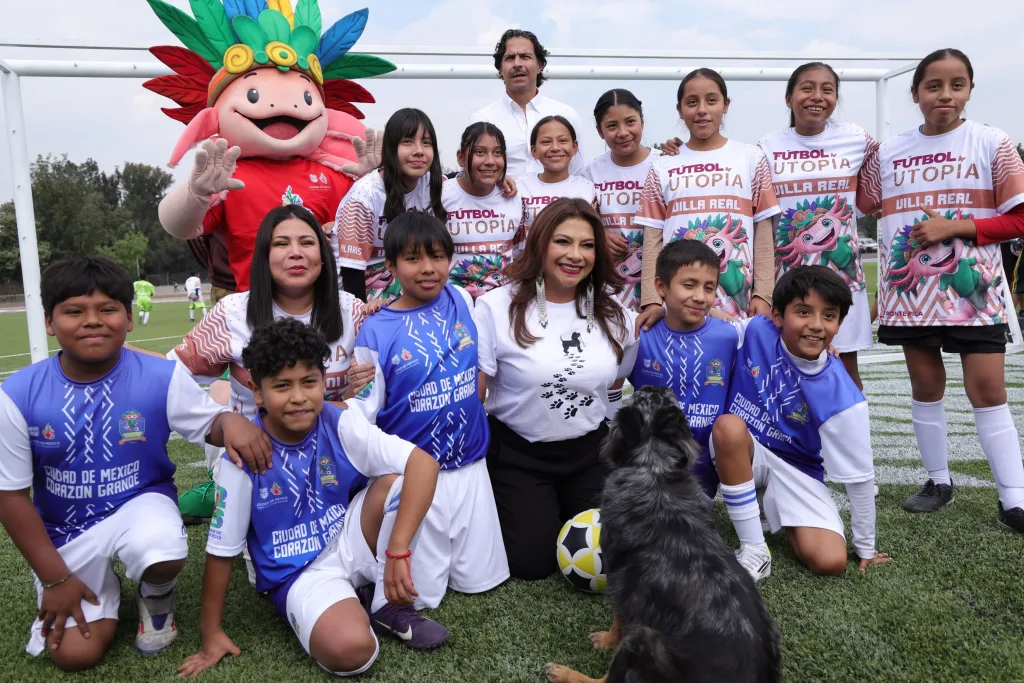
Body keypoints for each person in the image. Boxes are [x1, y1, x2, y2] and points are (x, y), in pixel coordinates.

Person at [0, 256, 269, 671]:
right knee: (76, 655)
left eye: (107, 309)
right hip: (66, 528)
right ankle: (92, 583)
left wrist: (230, 420)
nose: (92, 321)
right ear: (50, 322)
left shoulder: (161, 376)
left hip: (139, 505)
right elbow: (11, 495)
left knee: (160, 545)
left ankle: (156, 595)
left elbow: (210, 421)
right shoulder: (17, 395)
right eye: (74, 311)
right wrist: (56, 580)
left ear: (128, 318)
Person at [177, 319, 448, 678]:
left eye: (309, 382)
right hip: (299, 571)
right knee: (353, 652)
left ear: (324, 382)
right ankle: (354, 600)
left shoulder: (339, 420)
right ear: (257, 392)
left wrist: (398, 549)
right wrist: (211, 634)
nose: (298, 397)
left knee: (398, 481)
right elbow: (221, 551)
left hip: (350, 536)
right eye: (282, 386)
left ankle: (382, 602)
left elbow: (424, 464)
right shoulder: (243, 457)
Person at [861, 49, 1024, 531]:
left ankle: (1013, 499)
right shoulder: (888, 151)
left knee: (988, 390)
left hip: (974, 291)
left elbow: (1018, 217)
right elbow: (858, 196)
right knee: (926, 387)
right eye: (933, 86)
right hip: (910, 294)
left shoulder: (994, 143)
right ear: (915, 94)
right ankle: (938, 482)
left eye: (956, 85)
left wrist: (955, 226)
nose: (945, 95)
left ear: (970, 90)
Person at [350, 211, 509, 635]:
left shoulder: (461, 299)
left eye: (439, 257)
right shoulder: (375, 331)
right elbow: (363, 417)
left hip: (473, 466)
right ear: (391, 267)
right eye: (413, 259)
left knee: (482, 583)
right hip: (418, 478)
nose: (428, 269)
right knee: (416, 594)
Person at [169, 205, 376, 524]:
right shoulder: (232, 313)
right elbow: (168, 378)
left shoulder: (353, 311)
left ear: (323, 255)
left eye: (307, 243)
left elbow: (380, 391)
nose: (296, 253)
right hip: (260, 464)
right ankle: (220, 487)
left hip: (335, 458)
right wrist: (221, 423)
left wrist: (356, 394)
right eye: (281, 244)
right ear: (263, 256)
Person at [476, 198, 644, 580]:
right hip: (519, 452)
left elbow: (617, 381)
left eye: (587, 245)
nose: (575, 255)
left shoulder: (615, 311)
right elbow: (478, 394)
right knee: (531, 563)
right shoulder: (495, 307)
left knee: (618, 551)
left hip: (589, 451)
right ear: (540, 244)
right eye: (562, 242)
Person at [711, 266, 889, 581]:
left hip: (797, 467)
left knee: (829, 562)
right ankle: (754, 548)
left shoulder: (843, 395)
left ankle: (772, 506)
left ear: (839, 324)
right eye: (804, 312)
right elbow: (711, 331)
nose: (816, 325)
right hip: (745, 449)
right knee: (728, 428)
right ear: (778, 316)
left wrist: (865, 546)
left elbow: (860, 478)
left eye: (829, 316)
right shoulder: (756, 331)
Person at [758, 62, 880, 390]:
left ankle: (850, 441)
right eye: (807, 88)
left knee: (845, 374)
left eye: (827, 89)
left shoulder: (857, 139)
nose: (817, 96)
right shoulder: (765, 147)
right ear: (789, 98)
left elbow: (888, 177)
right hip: (788, 282)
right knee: (786, 372)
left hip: (843, 280)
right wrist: (676, 151)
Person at [638, 69, 780, 321]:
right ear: (680, 109)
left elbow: (763, 231)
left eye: (711, 100)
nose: (702, 109)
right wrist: (651, 300)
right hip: (677, 307)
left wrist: (763, 294)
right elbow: (652, 238)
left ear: (726, 105)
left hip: (740, 303)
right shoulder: (662, 165)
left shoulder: (752, 157)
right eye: (692, 102)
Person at [619, 240, 737, 500]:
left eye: (709, 288)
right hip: (651, 460)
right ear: (661, 286)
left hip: (708, 459)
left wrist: (823, 353)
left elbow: (778, 337)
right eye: (689, 285)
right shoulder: (641, 335)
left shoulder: (729, 336)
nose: (700, 296)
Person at [335, 108, 447, 304]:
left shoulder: (435, 186)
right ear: (390, 148)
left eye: (426, 143)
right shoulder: (363, 197)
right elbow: (351, 270)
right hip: (357, 283)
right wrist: (363, 314)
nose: (419, 150)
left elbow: (470, 187)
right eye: (407, 141)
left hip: (407, 276)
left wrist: (501, 181)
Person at [470, 29, 586, 179]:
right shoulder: (481, 119)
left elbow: (577, 172)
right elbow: (472, 174)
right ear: (500, 68)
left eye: (525, 57)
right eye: (510, 58)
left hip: (558, 202)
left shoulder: (566, 115)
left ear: (540, 66)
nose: (517, 64)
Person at [584, 89, 660, 311]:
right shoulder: (592, 172)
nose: (623, 132)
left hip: (657, 280)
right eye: (611, 126)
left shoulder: (663, 163)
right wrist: (600, 236)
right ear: (600, 131)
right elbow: (583, 222)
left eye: (630, 122)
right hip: (611, 284)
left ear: (642, 122)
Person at [443, 122, 526, 298]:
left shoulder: (514, 197)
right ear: (460, 158)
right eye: (479, 152)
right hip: (451, 300)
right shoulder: (440, 195)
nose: (490, 161)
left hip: (503, 301)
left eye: (497, 153)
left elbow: (521, 253)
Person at [517, 116, 597, 238]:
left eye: (563, 140)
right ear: (534, 151)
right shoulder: (521, 186)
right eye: (546, 142)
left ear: (574, 147)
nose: (555, 148)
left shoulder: (587, 188)